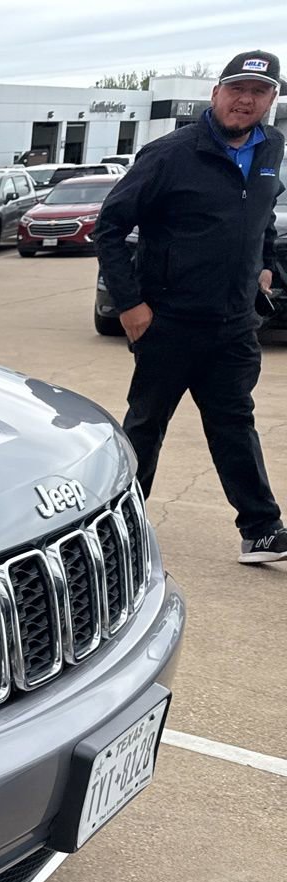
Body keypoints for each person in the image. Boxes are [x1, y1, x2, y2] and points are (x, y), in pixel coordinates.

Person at [96, 50, 287, 564]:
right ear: (216, 92)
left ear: (271, 100)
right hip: (169, 322)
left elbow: (262, 213)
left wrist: (265, 263)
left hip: (234, 324)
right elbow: (110, 228)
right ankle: (119, 534)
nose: (246, 101)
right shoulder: (169, 154)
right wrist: (131, 307)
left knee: (234, 423)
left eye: (259, 92)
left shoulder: (271, 147)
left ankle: (262, 530)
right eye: (237, 89)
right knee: (146, 425)